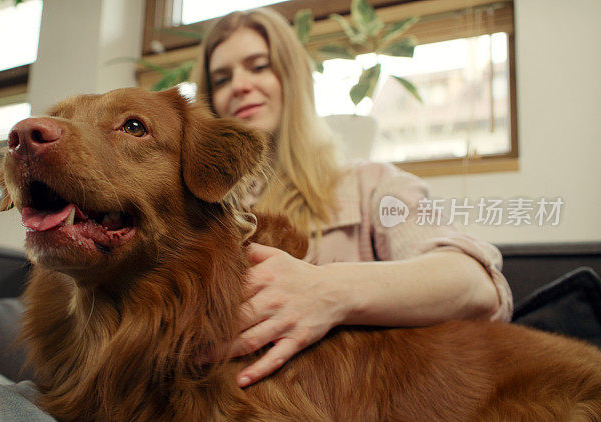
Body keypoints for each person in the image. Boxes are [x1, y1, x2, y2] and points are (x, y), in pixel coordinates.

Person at [191, 8, 513, 388]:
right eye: (222, 79)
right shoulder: (199, 214)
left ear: (293, 79)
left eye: (259, 66)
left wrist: (326, 291)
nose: (239, 86)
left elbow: (475, 285)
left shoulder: (371, 185)